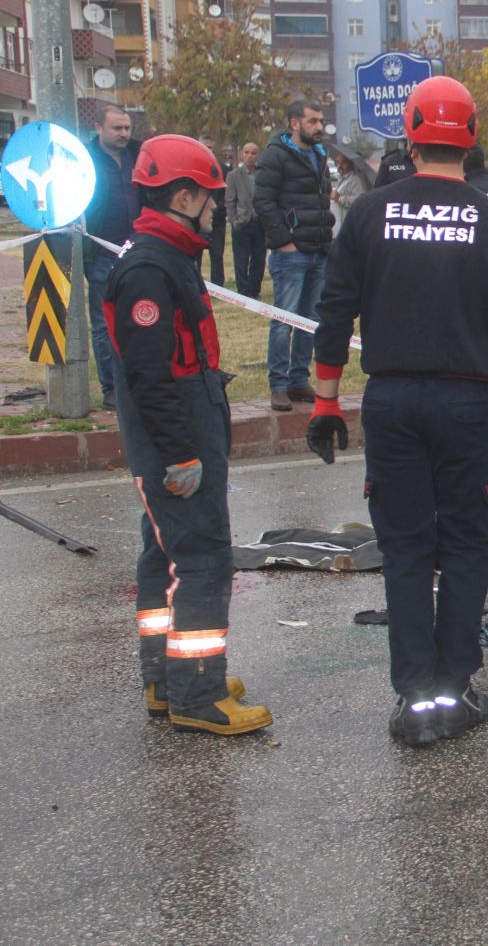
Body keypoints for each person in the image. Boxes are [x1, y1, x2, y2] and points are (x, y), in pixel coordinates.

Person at [307, 76, 488, 746]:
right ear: (471, 137)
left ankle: (414, 697)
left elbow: (333, 313)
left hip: (392, 401)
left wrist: (326, 400)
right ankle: (456, 688)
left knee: (409, 548)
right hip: (467, 403)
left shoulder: (367, 214)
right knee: (470, 546)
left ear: (410, 136)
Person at [104, 135, 273, 736]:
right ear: (182, 195)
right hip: (175, 435)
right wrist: (180, 453)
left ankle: (167, 676)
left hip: (182, 424)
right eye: (209, 198)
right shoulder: (150, 269)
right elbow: (149, 376)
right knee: (203, 558)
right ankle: (198, 693)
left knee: (163, 553)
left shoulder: (166, 255)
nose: (215, 209)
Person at [254, 101, 336, 412]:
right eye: (313, 121)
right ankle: (278, 384)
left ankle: (298, 379)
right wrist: (283, 241)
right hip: (291, 253)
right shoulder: (275, 155)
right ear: (294, 123)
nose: (319, 127)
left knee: (309, 321)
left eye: (321, 121)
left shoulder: (319, 154)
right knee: (283, 321)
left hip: (318, 251)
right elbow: (262, 201)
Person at [83, 103, 143, 411]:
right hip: (101, 254)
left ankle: (137, 382)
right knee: (104, 325)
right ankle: (111, 388)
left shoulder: (139, 155)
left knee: (140, 320)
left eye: (127, 128)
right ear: (99, 128)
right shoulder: (84, 160)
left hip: (138, 253)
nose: (123, 134)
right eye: (116, 128)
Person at [226, 142, 265, 297]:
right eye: (247, 152)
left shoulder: (263, 174)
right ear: (242, 154)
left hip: (260, 222)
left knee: (259, 258)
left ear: (258, 155)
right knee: (241, 259)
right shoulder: (233, 175)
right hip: (242, 222)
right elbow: (230, 200)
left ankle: (254, 289)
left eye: (253, 153)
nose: (250, 156)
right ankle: (243, 290)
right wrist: (233, 220)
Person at [197, 134, 228, 286]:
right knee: (196, 255)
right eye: (204, 147)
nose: (207, 150)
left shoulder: (223, 169)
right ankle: (196, 284)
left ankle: (219, 287)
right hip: (196, 220)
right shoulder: (193, 168)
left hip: (217, 220)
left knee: (217, 255)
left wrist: (218, 209)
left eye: (209, 147)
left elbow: (227, 194)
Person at [329, 152, 366, 234]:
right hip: (338, 227)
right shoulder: (342, 178)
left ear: (351, 163)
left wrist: (340, 198)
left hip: (348, 227)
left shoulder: (357, 180)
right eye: (337, 162)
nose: (339, 166)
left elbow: (360, 200)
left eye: (344, 163)